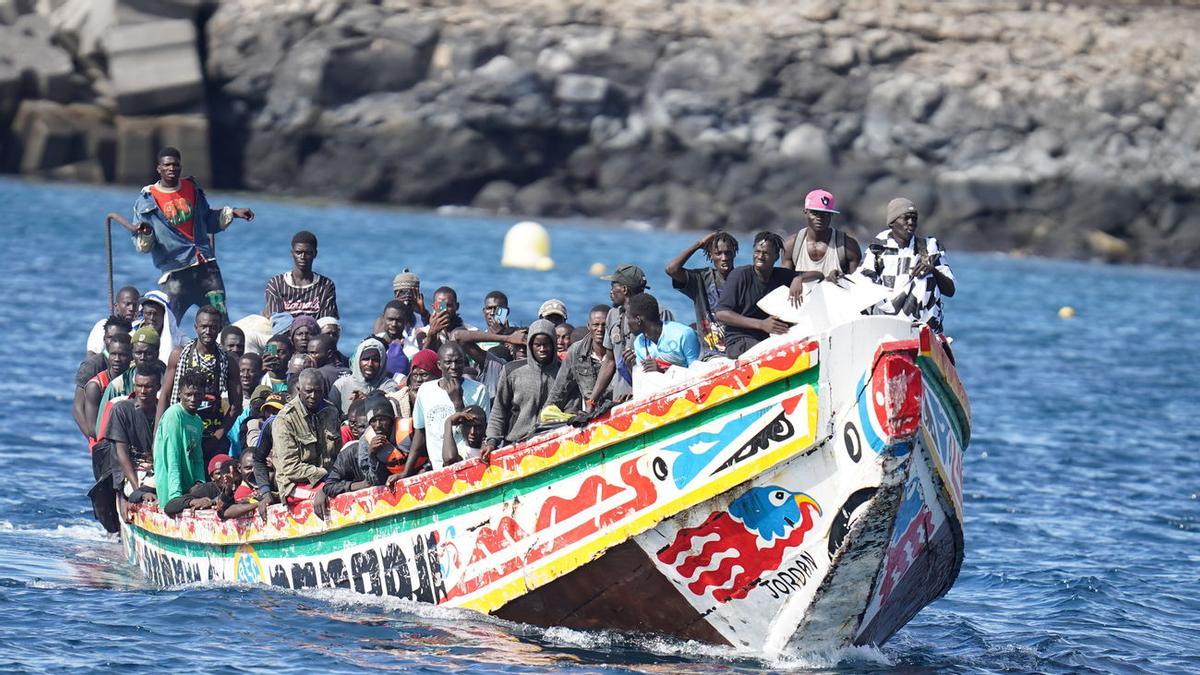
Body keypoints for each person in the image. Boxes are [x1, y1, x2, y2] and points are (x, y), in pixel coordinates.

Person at [130, 146, 255, 324]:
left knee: (220, 320)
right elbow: (143, 246)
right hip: (176, 272)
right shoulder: (146, 201)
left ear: (180, 167)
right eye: (167, 165)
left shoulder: (192, 188)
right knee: (167, 324)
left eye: (175, 165)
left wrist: (233, 213)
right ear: (158, 168)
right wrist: (147, 233)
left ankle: (225, 351)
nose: (171, 168)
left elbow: (208, 219)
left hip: (206, 268)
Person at [158, 304, 242, 461]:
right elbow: (166, 395)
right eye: (204, 327)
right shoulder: (179, 355)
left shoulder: (228, 361)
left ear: (220, 328)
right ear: (196, 327)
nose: (208, 332)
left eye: (213, 327)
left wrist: (219, 435)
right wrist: (159, 434)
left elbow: (236, 406)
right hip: (181, 429)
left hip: (212, 431)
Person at [861, 198, 956, 334]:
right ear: (892, 222)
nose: (911, 223)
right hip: (884, 319)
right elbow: (863, 286)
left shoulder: (929, 247)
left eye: (914, 219)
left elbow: (950, 290)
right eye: (906, 218)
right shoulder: (878, 248)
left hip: (922, 326)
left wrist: (933, 270)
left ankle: (922, 334)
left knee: (927, 275)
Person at [313, 395, 414, 519]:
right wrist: (358, 484)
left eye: (382, 420)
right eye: (368, 425)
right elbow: (329, 486)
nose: (377, 427)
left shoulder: (407, 435)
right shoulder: (350, 453)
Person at [587, 264, 671, 408]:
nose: (611, 292)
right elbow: (609, 361)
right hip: (620, 401)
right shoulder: (613, 315)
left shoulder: (658, 313)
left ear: (624, 290)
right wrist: (592, 401)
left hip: (652, 397)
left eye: (613, 286)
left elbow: (672, 358)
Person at [482, 319, 561, 459]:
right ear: (530, 345)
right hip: (516, 445)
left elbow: (572, 409)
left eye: (546, 344)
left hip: (554, 444)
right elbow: (498, 410)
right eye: (537, 345)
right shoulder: (512, 371)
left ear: (554, 344)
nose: (542, 349)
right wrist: (492, 441)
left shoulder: (564, 372)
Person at [409, 342, 490, 474]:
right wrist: (406, 472)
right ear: (439, 365)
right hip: (439, 469)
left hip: (469, 464)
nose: (453, 367)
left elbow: (480, 432)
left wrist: (457, 402)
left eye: (458, 362)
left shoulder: (479, 390)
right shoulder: (425, 390)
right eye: (448, 362)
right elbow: (420, 434)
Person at [714, 232, 798, 358]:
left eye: (766, 253)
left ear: (776, 256)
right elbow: (721, 313)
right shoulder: (739, 275)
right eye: (757, 251)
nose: (760, 256)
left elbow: (816, 275)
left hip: (768, 339)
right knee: (774, 353)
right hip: (740, 341)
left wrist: (799, 279)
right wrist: (761, 324)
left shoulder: (783, 276)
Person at [271, 368, 342, 505]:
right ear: (299, 389)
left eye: (318, 391)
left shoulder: (331, 411)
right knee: (333, 493)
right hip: (294, 485)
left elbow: (338, 453)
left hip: (328, 478)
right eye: (308, 391)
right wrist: (325, 475)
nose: (313, 396)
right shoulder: (285, 419)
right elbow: (290, 468)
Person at [781, 189, 863, 304]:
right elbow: (783, 284)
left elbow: (858, 287)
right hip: (802, 308)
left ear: (831, 216)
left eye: (825, 214)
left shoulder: (848, 246)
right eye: (815, 213)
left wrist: (841, 278)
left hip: (837, 307)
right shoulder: (791, 245)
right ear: (805, 212)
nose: (820, 218)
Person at [665, 231, 738, 353]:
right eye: (718, 253)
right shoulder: (702, 279)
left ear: (734, 254)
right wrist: (699, 244)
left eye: (728, 253)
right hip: (711, 353)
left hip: (738, 348)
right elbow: (671, 269)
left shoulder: (742, 278)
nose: (724, 258)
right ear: (711, 256)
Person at [423, 287, 524, 369]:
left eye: (449, 305)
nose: (493, 313)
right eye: (441, 305)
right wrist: (432, 334)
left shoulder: (472, 332)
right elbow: (423, 361)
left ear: (456, 306)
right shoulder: (423, 332)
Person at [105, 364, 161, 506]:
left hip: (158, 470)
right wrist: (138, 490)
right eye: (139, 386)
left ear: (158, 387)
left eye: (148, 386)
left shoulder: (164, 411)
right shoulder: (122, 410)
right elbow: (121, 453)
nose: (142, 391)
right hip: (135, 472)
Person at [73, 316, 132, 439]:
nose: (115, 342)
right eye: (111, 338)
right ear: (105, 339)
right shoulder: (93, 365)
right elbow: (78, 409)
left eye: (120, 337)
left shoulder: (131, 368)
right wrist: (94, 441)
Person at [154, 372, 207, 504]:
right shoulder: (174, 415)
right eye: (188, 394)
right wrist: (175, 497)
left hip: (189, 489)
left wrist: (199, 482)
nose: (193, 399)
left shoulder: (198, 421)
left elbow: (198, 457)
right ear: (179, 394)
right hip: (171, 488)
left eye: (197, 394)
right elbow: (172, 457)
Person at [548, 304, 611, 413]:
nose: (600, 329)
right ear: (588, 326)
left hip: (617, 411)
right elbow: (559, 391)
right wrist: (545, 416)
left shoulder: (620, 350)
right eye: (596, 325)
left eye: (604, 325)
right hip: (590, 414)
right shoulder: (576, 351)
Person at [263, 230, 339, 319]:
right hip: (283, 332)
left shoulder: (326, 285)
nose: (302, 257)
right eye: (298, 252)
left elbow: (327, 320)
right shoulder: (276, 284)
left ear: (315, 254)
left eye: (307, 253)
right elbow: (276, 320)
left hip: (316, 332)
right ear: (292, 253)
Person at [82, 333, 132, 452]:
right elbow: (93, 430)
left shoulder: (134, 380)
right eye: (113, 354)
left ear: (131, 356)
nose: (117, 359)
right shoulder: (96, 386)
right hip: (103, 448)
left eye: (122, 355)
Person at [628, 293, 702, 372]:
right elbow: (645, 379)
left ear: (638, 320)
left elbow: (698, 373)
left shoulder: (684, 334)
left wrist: (662, 371)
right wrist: (631, 366)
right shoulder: (639, 343)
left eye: (628, 318)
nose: (627, 323)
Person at [332, 337, 399, 415]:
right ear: (358, 360)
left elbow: (391, 411)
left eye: (375, 360)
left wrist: (368, 401)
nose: (370, 364)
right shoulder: (341, 385)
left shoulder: (389, 386)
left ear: (382, 362)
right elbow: (330, 414)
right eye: (366, 359)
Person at [163, 455, 239, 518]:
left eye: (227, 471)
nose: (224, 476)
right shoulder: (207, 489)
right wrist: (194, 501)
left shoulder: (240, 485)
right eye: (219, 473)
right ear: (212, 477)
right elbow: (170, 506)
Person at [86, 286, 139, 356]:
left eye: (135, 305)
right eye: (127, 304)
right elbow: (91, 356)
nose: (131, 308)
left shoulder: (140, 329)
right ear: (116, 306)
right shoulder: (104, 326)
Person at [388, 348, 439, 419]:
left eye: (424, 375)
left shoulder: (444, 397)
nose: (418, 380)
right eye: (415, 375)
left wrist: (418, 404)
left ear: (436, 376)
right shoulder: (400, 399)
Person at [137, 290, 177, 363]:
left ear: (164, 315)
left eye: (155, 314)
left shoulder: (180, 341)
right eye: (148, 313)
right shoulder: (133, 336)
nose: (152, 318)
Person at [375, 300, 412, 379]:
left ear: (405, 321)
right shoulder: (373, 343)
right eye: (390, 319)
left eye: (398, 320)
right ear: (383, 319)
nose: (394, 324)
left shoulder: (412, 351)